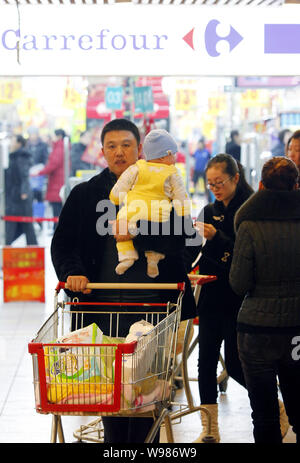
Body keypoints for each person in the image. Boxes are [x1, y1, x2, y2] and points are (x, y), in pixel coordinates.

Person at [50, 118, 196, 444]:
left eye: (126, 145)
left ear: (140, 148)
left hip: (153, 309)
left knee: (149, 398)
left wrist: (140, 233)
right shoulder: (86, 195)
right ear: (102, 152)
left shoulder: (167, 189)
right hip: (103, 308)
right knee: (111, 396)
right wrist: (73, 273)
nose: (119, 153)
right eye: (112, 146)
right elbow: (63, 244)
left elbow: (189, 241)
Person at [229, 157, 300, 443]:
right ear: (296, 186)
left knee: (264, 414)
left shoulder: (249, 226)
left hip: (256, 333)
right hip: (297, 332)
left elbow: (238, 283)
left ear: (260, 186)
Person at [184, 153, 254, 442]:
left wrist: (218, 239)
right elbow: (195, 252)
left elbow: (246, 254)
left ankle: (275, 404)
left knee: (237, 363)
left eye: (220, 182)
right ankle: (209, 427)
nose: (215, 188)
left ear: (235, 178)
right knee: (205, 360)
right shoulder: (208, 210)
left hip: (239, 297)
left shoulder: (250, 209)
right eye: (210, 184)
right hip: (210, 293)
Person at [109, 129, 190, 278]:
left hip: (133, 209)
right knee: (155, 237)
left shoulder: (137, 168)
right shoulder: (172, 173)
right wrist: (183, 211)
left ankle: (127, 256)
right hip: (157, 212)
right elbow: (180, 196)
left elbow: (120, 187)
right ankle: (152, 260)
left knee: (121, 226)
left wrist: (114, 198)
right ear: (167, 154)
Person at [5, 134, 38, 246]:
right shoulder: (12, 156)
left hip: (20, 197)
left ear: (19, 143)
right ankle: (7, 250)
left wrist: (23, 192)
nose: (11, 143)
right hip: (14, 195)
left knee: (25, 224)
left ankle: (33, 250)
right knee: (15, 224)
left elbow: (24, 175)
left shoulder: (21, 157)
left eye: (13, 140)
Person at [33, 129, 66, 231]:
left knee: (57, 210)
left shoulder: (59, 148)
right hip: (58, 182)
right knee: (58, 210)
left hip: (57, 183)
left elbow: (53, 164)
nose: (52, 139)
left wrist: (39, 172)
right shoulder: (60, 147)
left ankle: (57, 231)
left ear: (59, 136)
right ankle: (57, 229)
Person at [26, 126, 49, 229]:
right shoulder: (26, 145)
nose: (32, 136)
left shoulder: (43, 145)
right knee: (29, 198)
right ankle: (30, 220)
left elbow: (46, 159)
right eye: (31, 134)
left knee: (39, 198)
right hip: (28, 176)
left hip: (39, 177)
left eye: (34, 134)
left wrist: (40, 168)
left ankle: (39, 220)